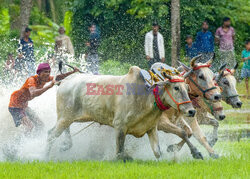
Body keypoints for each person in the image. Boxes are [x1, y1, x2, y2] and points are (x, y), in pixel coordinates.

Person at [8, 63, 79, 134]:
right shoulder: (31, 79)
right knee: (29, 127)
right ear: (39, 73)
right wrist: (50, 86)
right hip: (15, 105)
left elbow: (58, 77)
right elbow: (33, 93)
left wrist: (73, 72)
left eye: (49, 72)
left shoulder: (45, 78)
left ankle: (35, 140)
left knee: (40, 125)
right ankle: (20, 143)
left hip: (24, 105)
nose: (47, 74)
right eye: (45, 72)